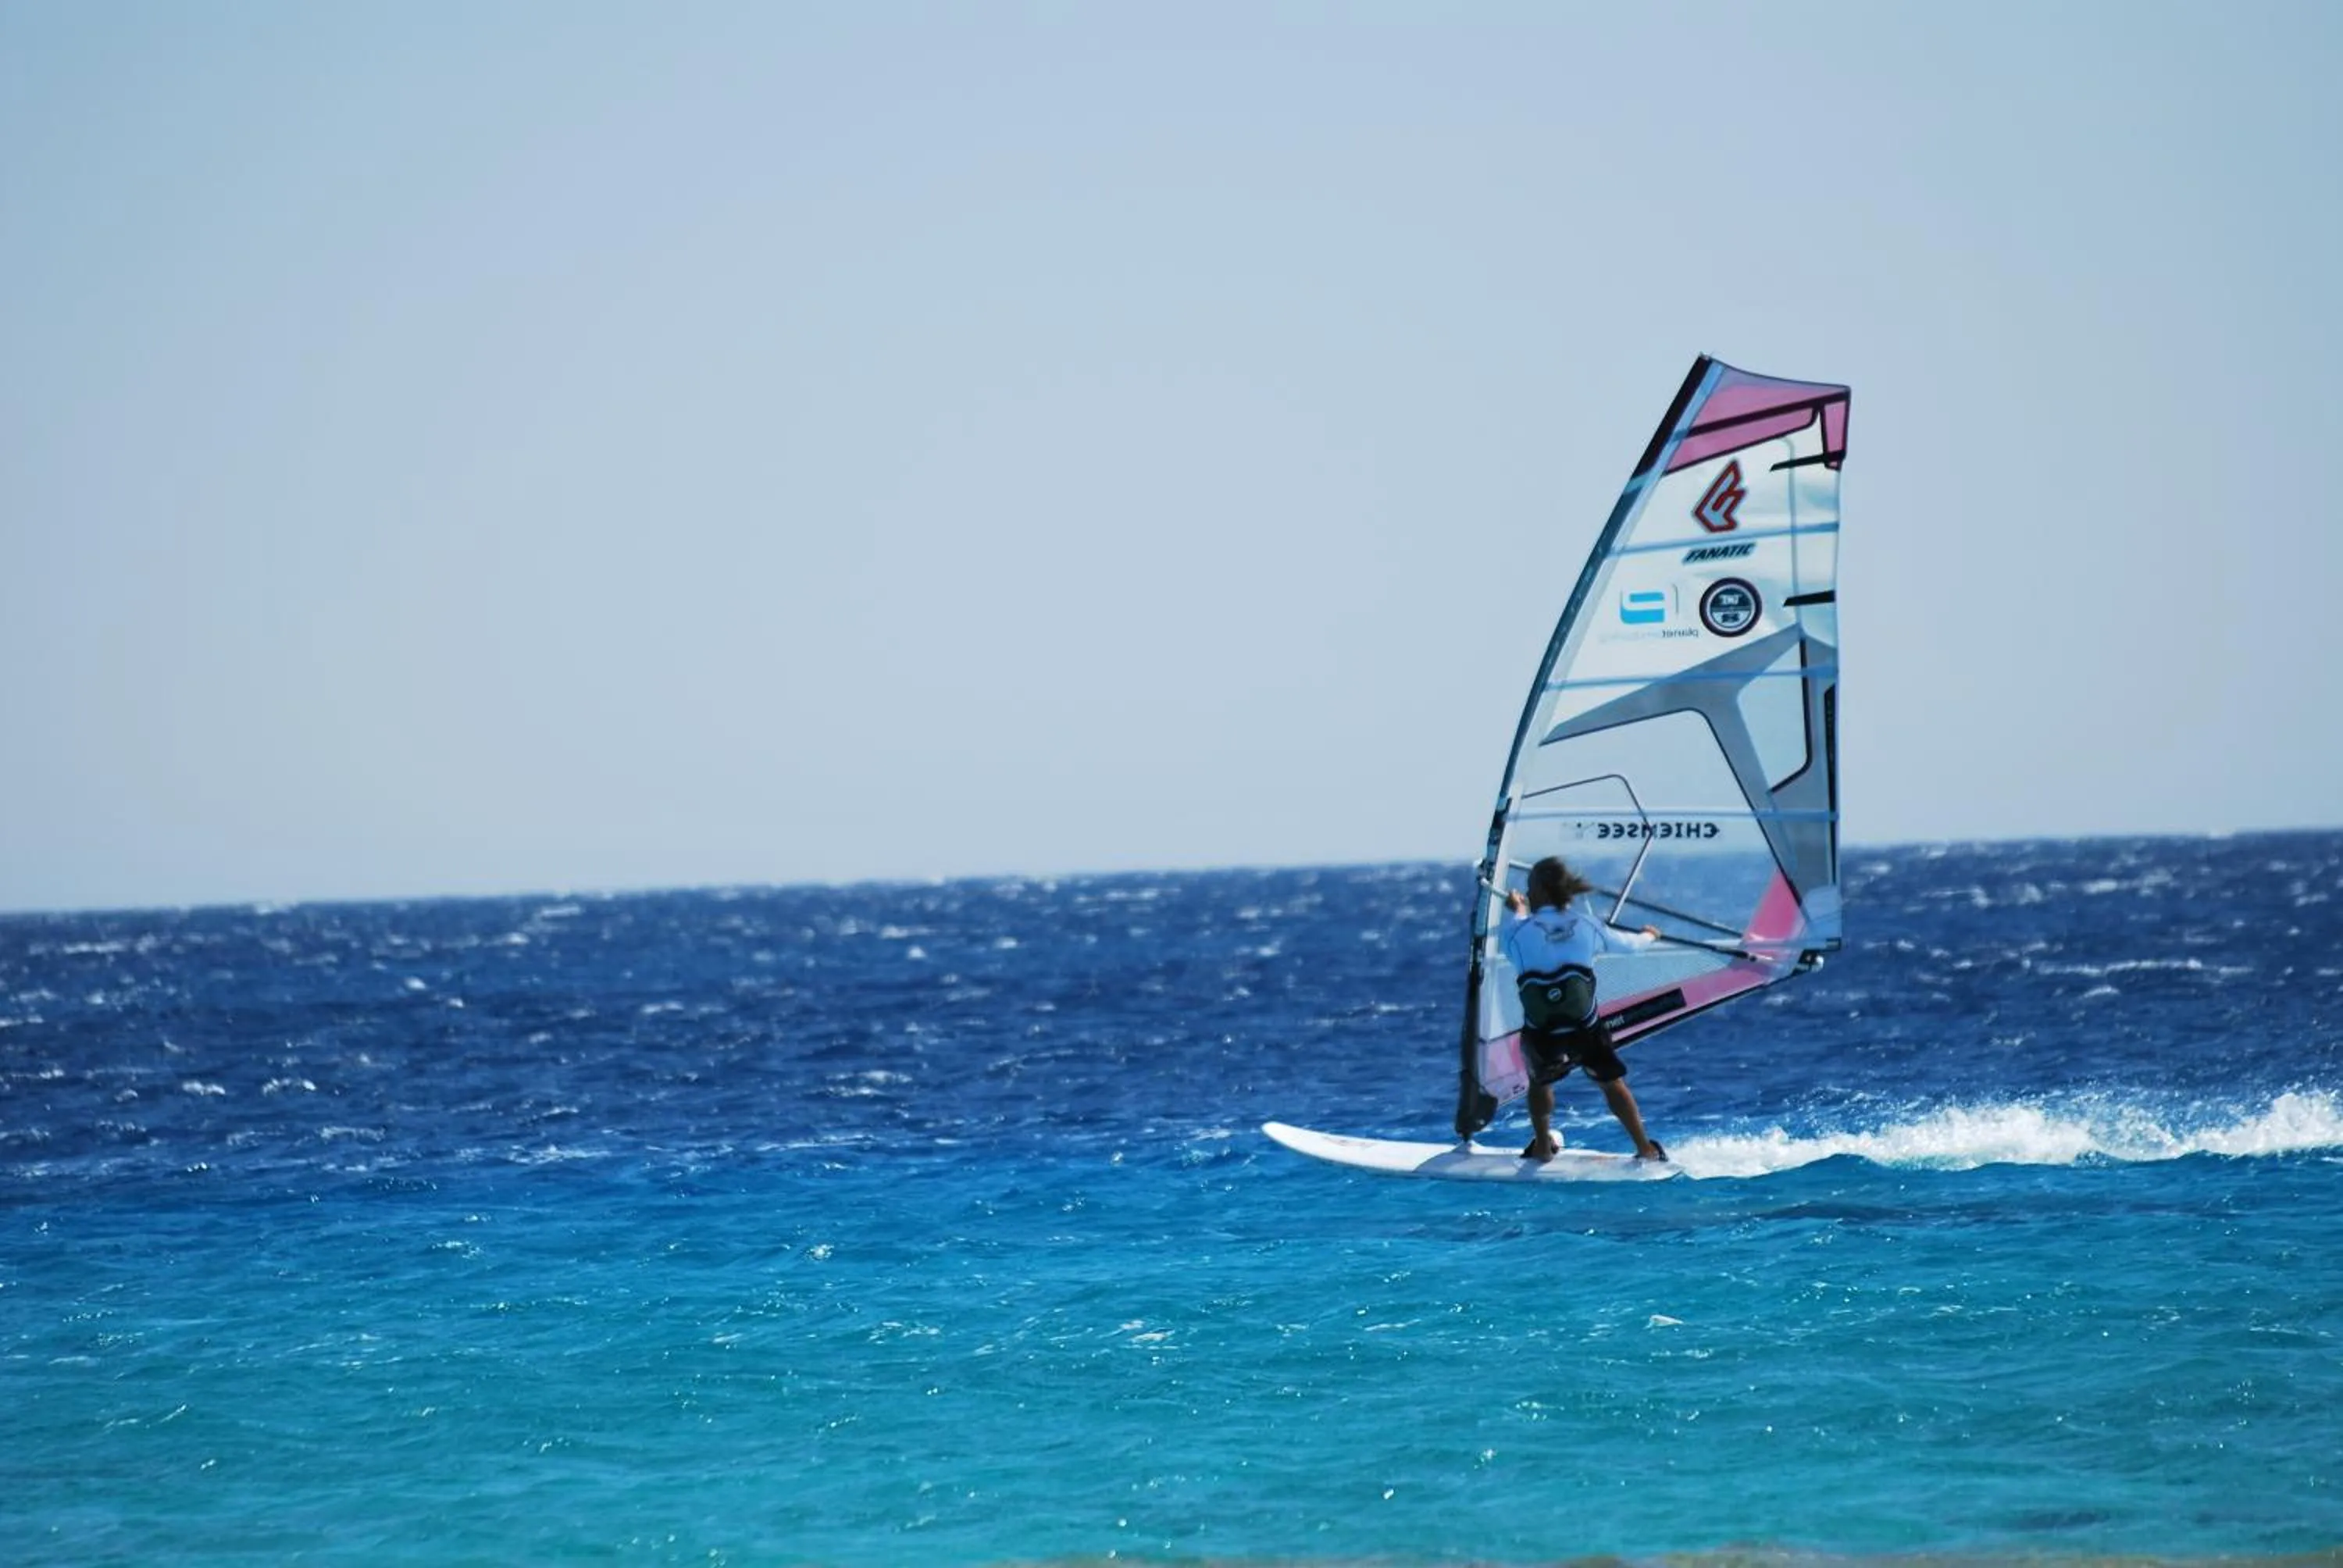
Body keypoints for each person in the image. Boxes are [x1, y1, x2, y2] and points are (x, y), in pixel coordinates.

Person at [1502, 856, 1669, 1164]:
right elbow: (1630, 946)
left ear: (1541, 890)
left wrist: (1517, 909)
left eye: (1530, 887)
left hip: (1542, 1030)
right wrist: (1650, 935)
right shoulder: (1587, 925)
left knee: (1539, 1082)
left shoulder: (1517, 932)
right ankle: (1645, 1149)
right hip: (1585, 1027)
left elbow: (1512, 942)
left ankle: (1542, 1147)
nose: (1527, 893)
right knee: (1611, 1082)